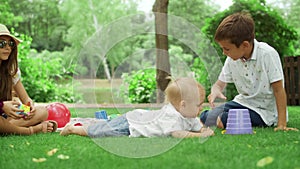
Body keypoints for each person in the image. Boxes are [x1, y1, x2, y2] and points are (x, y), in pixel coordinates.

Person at [200, 12, 298, 132]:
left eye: (227, 49)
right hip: (242, 103)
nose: (224, 53)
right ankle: (216, 119)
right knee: (206, 114)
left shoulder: (267, 54)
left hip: (264, 112)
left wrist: (281, 124)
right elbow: (219, 84)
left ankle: (219, 120)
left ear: (245, 45)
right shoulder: (232, 59)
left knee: (223, 118)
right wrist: (215, 91)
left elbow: (278, 90)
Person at [60, 77, 214, 138]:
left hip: (138, 118)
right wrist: (200, 136)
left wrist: (203, 129)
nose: (201, 108)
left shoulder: (189, 114)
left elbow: (196, 124)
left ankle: (85, 125)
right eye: (199, 105)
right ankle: (72, 128)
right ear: (183, 105)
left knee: (103, 126)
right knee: (102, 131)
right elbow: (177, 134)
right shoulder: (171, 115)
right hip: (131, 124)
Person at [0, 24, 57, 135]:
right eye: (1, 43)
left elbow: (26, 99)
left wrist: (29, 106)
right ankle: (31, 130)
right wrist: (2, 106)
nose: (7, 48)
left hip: (6, 118)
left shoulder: (11, 71)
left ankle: (7, 129)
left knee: (42, 112)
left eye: (10, 44)